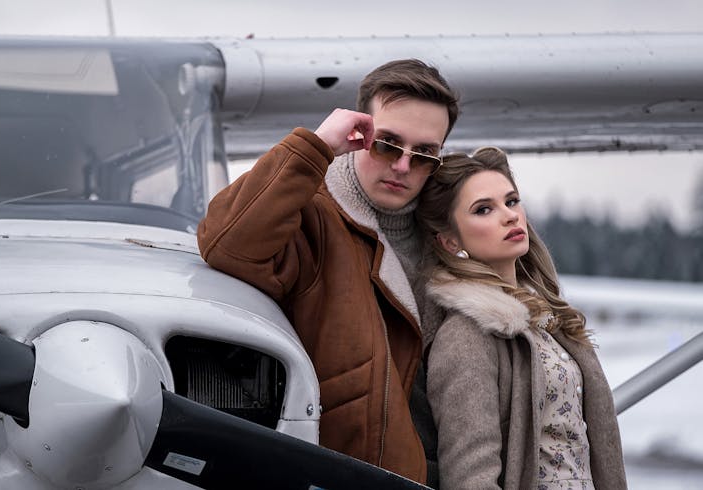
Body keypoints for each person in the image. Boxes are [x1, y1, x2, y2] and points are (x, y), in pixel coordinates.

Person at [198, 59, 459, 484]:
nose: (401, 167)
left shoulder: (448, 237)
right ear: (359, 133)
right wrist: (315, 147)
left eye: (424, 155)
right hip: (344, 476)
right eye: (387, 144)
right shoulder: (311, 216)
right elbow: (228, 244)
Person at [415, 147, 627, 489]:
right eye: (484, 209)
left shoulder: (545, 318)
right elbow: (471, 478)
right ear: (450, 240)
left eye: (511, 201)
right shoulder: (466, 335)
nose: (510, 216)